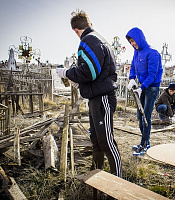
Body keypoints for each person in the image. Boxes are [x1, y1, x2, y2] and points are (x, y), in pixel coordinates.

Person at [56, 10, 122, 177]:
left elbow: (89, 72)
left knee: (106, 140)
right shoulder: (97, 39)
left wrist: (67, 73)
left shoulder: (88, 40)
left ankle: (120, 180)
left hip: (103, 97)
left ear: (75, 30)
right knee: (97, 140)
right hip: (97, 96)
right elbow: (95, 71)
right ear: (89, 24)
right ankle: (96, 174)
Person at [126, 27, 163, 156]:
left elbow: (153, 74)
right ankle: (144, 141)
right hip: (142, 87)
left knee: (146, 115)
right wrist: (132, 78)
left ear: (140, 38)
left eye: (134, 41)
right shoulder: (136, 52)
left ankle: (145, 144)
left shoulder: (152, 53)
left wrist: (143, 87)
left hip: (151, 87)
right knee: (139, 115)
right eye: (130, 42)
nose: (132, 44)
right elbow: (133, 67)